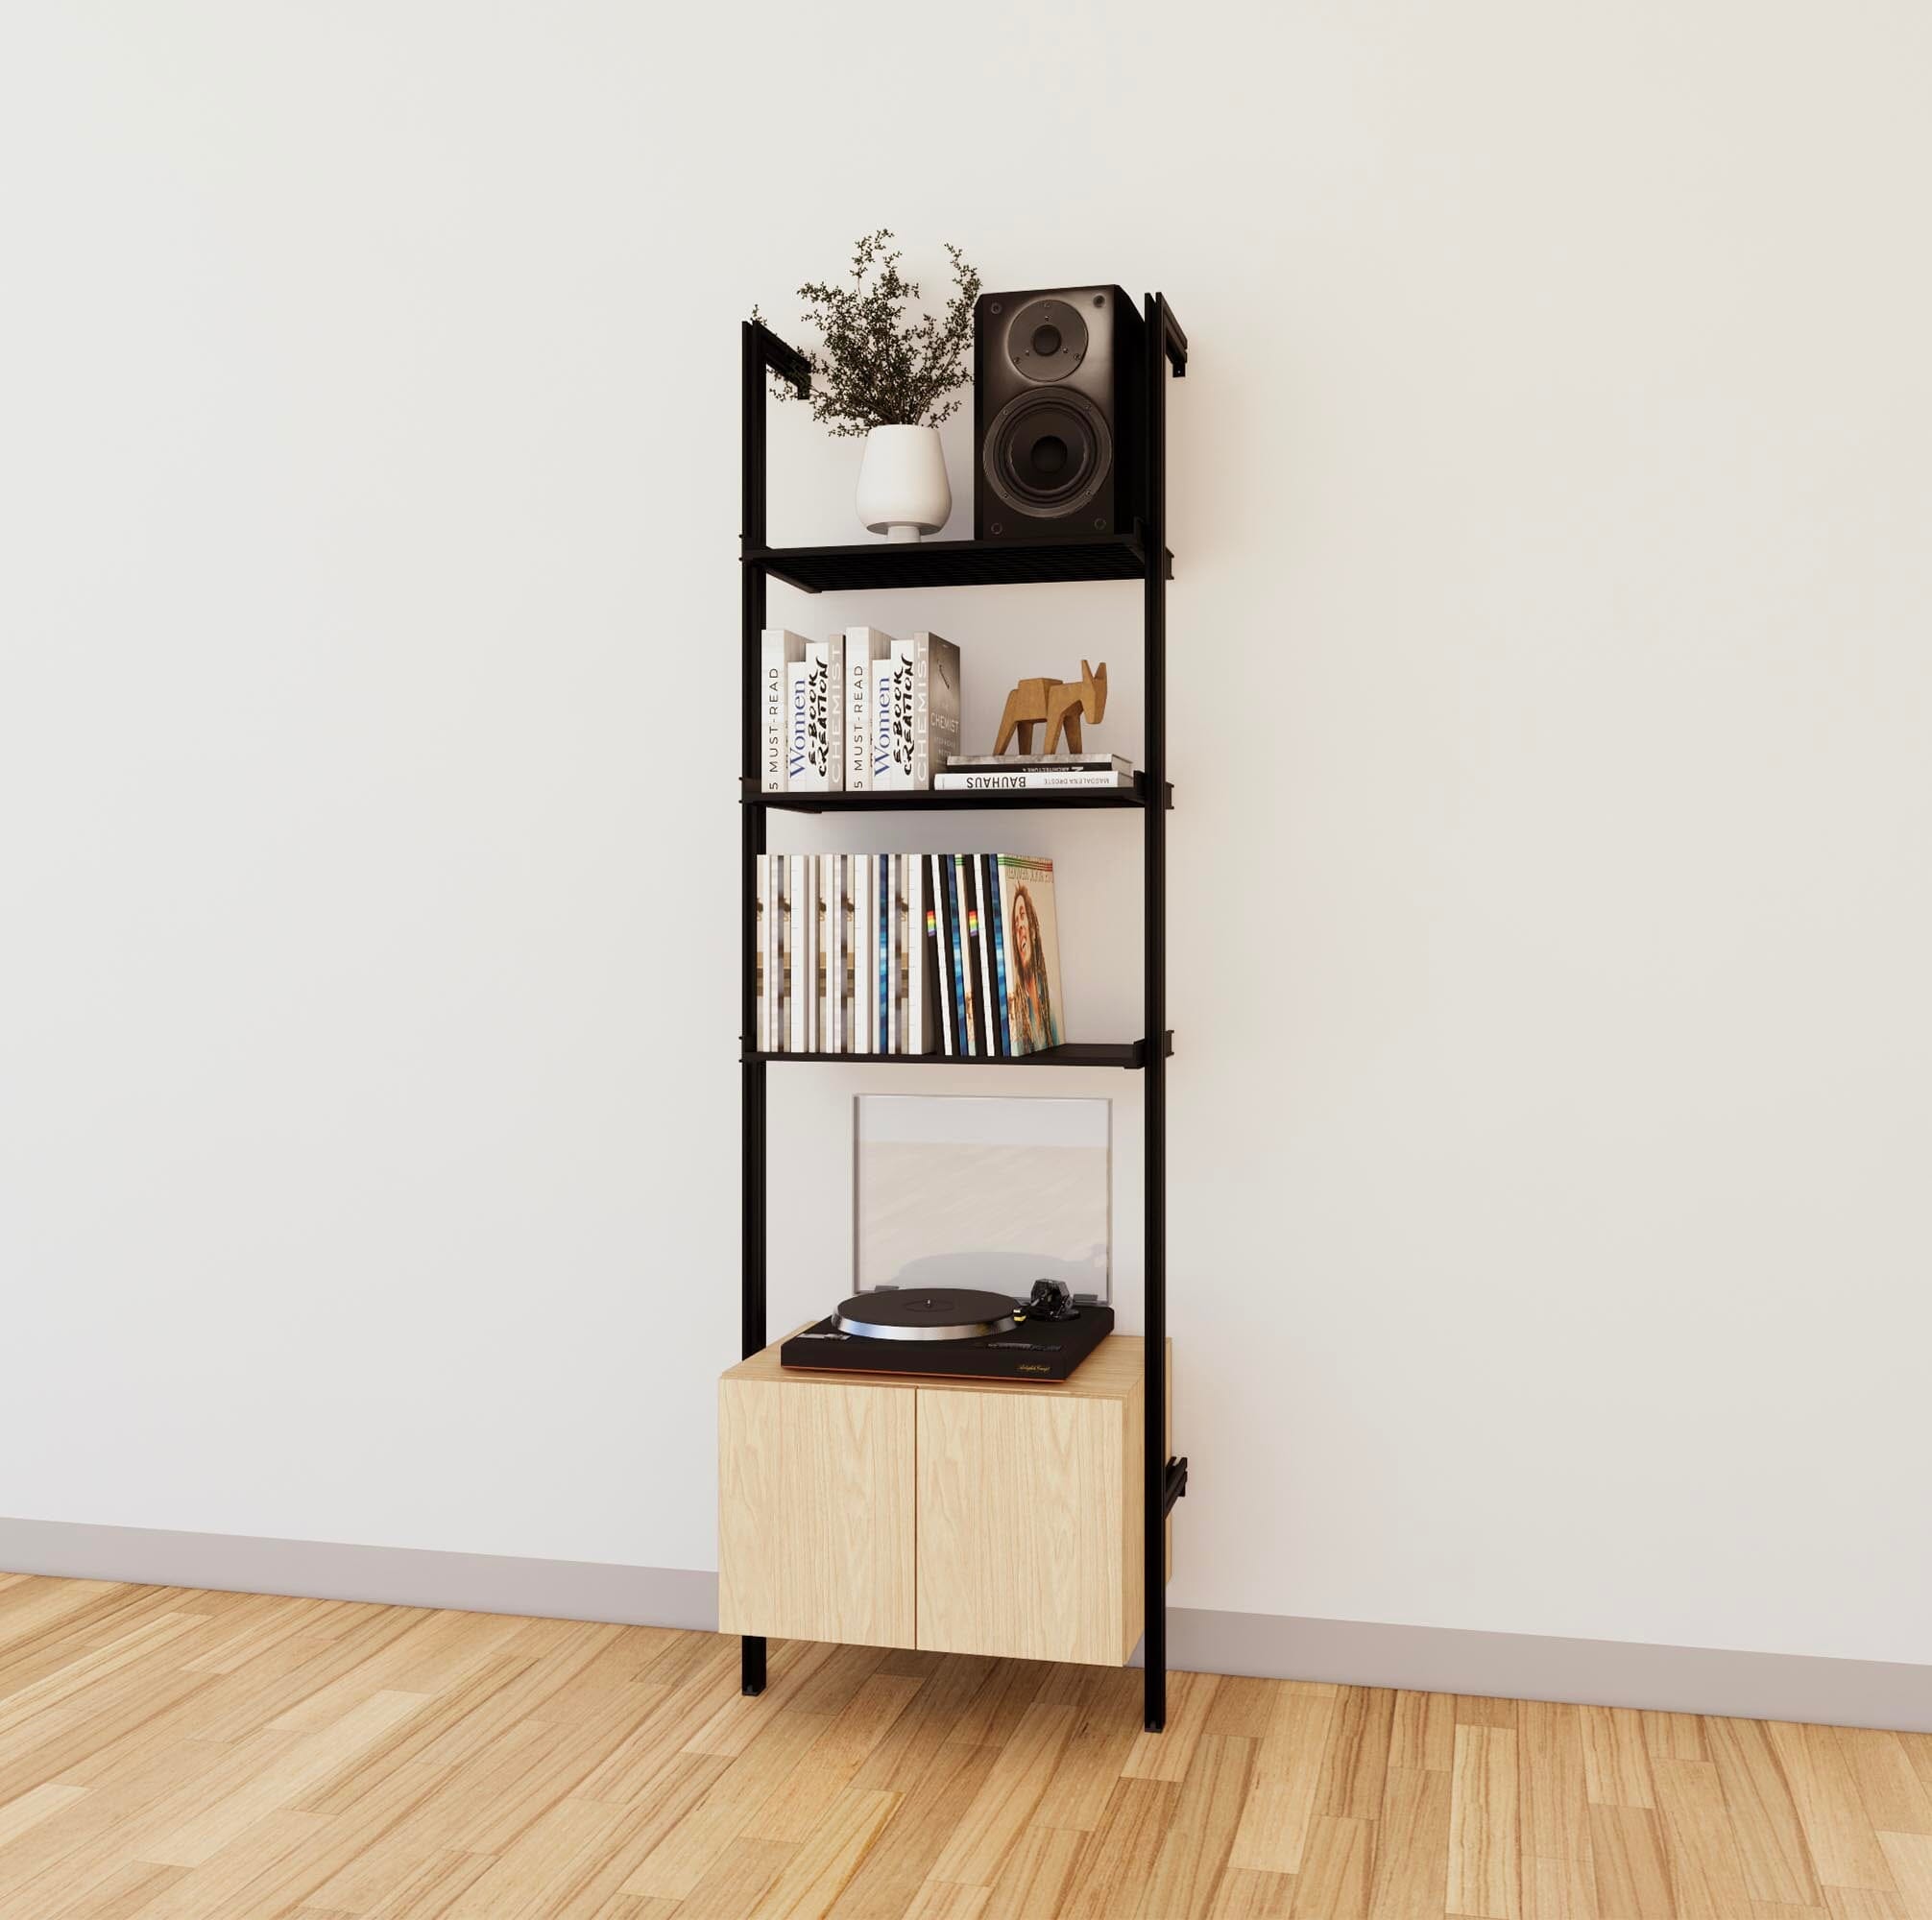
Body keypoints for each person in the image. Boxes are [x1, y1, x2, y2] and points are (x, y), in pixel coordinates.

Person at [1006, 883, 1058, 1053]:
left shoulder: (1049, 1000)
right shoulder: (1016, 1006)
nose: (1020, 926)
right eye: (1016, 923)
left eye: (1022, 916)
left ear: (1033, 931)